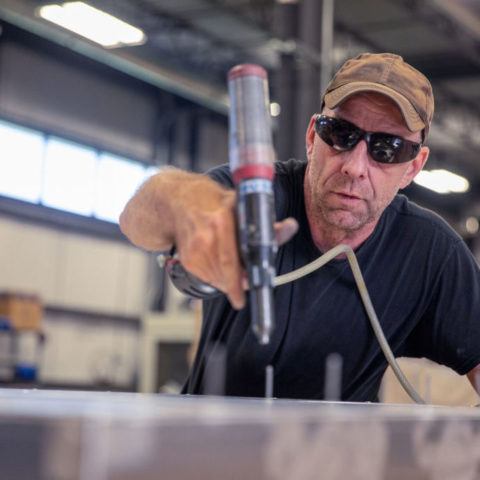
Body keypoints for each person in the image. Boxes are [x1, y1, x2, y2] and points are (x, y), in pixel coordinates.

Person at [120, 52, 480, 401]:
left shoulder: (429, 253)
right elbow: (135, 219)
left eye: (387, 149)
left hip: (335, 457)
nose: (355, 167)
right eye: (340, 133)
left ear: (414, 167)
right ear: (312, 137)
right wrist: (182, 200)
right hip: (211, 446)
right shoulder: (250, 200)